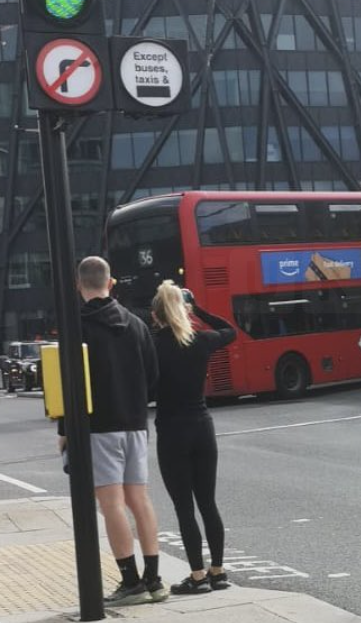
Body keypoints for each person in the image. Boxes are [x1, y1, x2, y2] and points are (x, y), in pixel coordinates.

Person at [58, 256, 164, 606]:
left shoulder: (77, 326)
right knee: (140, 499)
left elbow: (69, 384)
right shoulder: (136, 324)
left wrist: (64, 428)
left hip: (98, 426)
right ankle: (154, 579)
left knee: (111, 504)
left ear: (78, 285)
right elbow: (152, 378)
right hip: (135, 424)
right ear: (111, 282)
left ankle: (130, 581)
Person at [151, 281, 236, 594]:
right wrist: (196, 307)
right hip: (202, 426)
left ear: (155, 315)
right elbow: (230, 330)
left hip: (172, 430)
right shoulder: (201, 339)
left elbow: (147, 387)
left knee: (184, 508)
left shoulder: (154, 344)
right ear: (184, 309)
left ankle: (197, 576)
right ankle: (218, 570)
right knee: (208, 503)